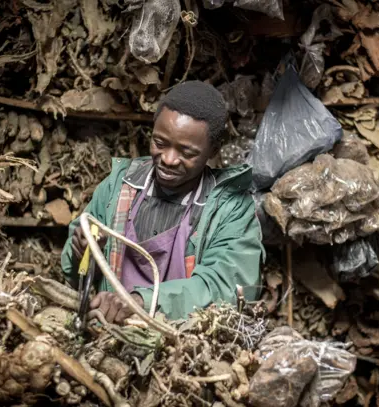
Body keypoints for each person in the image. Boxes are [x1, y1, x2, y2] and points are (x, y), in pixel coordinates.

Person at [61, 81, 264, 322]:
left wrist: (140, 302)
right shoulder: (119, 187)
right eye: (160, 143)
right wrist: (82, 253)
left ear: (213, 150)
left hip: (187, 347)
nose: (168, 159)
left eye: (187, 153)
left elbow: (230, 287)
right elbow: (74, 275)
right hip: (109, 332)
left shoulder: (229, 208)